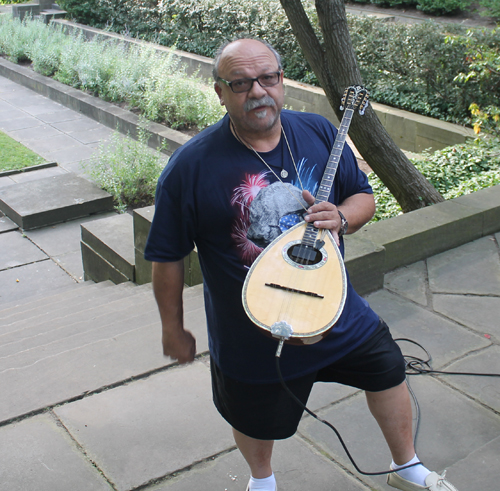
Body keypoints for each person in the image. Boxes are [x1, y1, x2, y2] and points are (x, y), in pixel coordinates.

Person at [144, 38, 458, 491]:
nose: (257, 92)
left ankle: (407, 469)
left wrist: (343, 218)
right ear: (220, 92)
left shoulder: (317, 131)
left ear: (281, 81)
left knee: (388, 368)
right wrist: (172, 328)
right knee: (253, 416)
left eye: (268, 78)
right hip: (254, 329)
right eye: (241, 83)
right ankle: (262, 482)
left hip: (335, 309)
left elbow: (362, 197)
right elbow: (167, 256)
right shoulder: (190, 167)